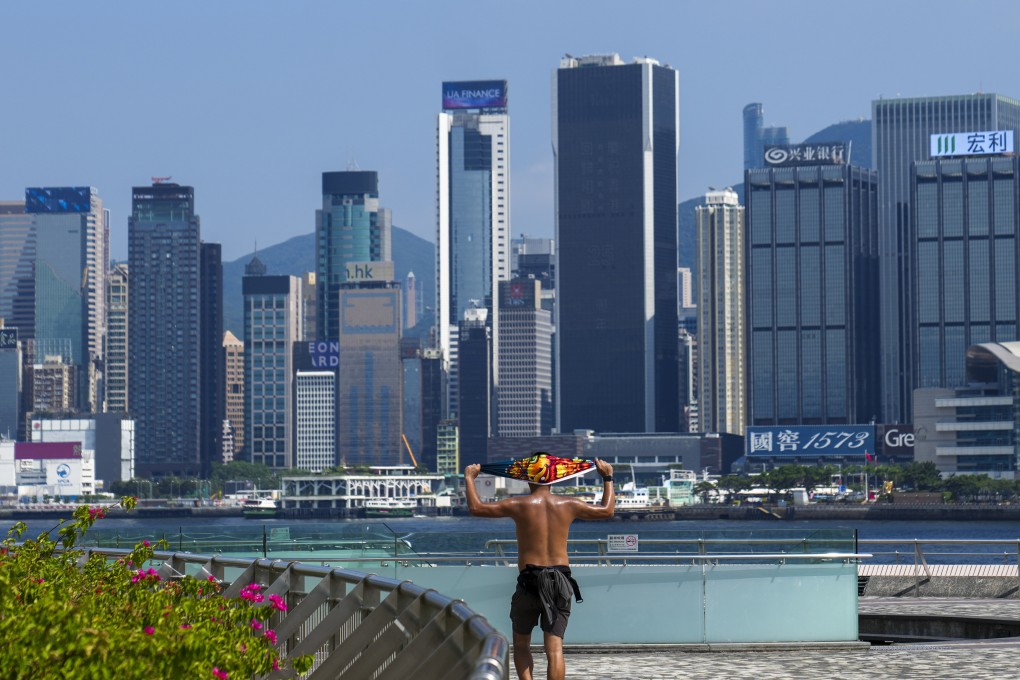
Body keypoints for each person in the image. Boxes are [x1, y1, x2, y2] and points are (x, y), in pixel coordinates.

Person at [464, 458, 615, 680]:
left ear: (526, 479)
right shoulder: (568, 504)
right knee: (554, 649)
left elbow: (476, 508)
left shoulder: (518, 505)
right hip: (559, 581)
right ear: (554, 478)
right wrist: (607, 476)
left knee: (522, 645)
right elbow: (607, 510)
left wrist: (469, 478)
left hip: (529, 581)